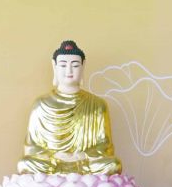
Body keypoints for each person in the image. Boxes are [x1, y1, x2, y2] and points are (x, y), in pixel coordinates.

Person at [16, 39, 121, 176]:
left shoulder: (98, 104)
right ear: (54, 67)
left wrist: (82, 155)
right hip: (52, 163)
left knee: (113, 165)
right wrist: (56, 156)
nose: (69, 71)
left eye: (75, 65)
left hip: (84, 162)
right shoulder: (41, 104)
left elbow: (105, 146)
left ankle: (61, 180)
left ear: (83, 66)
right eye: (63, 65)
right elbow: (31, 147)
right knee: (25, 164)